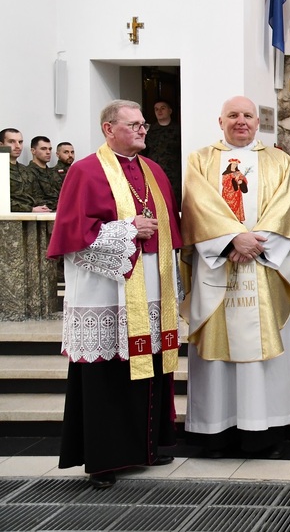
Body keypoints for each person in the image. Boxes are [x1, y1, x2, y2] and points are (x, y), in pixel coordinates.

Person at [46, 99, 182, 489]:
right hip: (107, 293)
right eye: (134, 124)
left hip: (151, 289)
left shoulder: (154, 171)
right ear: (109, 128)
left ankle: (148, 447)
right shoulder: (85, 171)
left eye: (143, 125)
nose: (143, 130)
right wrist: (127, 229)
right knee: (106, 375)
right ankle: (104, 459)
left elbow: (170, 232)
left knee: (150, 367)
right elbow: (74, 236)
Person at [181, 96, 290, 458]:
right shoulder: (200, 160)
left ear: (257, 121)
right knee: (216, 356)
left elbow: (285, 206)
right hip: (217, 266)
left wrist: (253, 242)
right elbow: (197, 205)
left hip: (264, 268)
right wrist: (231, 239)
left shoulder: (277, 160)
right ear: (219, 120)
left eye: (247, 116)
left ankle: (262, 432)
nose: (241, 121)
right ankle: (214, 433)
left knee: (263, 356)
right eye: (233, 115)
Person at [142, 99, 182, 206]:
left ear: (170, 110)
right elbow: (143, 152)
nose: (159, 111)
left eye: (162, 108)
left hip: (174, 174)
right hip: (153, 172)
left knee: (173, 202)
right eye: (156, 109)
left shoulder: (179, 130)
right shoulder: (148, 131)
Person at [2, 127, 49, 213]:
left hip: (32, 219)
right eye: (12, 142)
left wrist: (44, 207)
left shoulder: (26, 170)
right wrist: (30, 209)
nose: (17, 146)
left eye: (20, 142)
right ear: (1, 145)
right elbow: (2, 202)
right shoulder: (2, 170)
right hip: (9, 221)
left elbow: (37, 196)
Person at [29, 135, 61, 210]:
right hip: (42, 214)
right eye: (43, 149)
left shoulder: (53, 172)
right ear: (33, 151)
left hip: (58, 212)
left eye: (50, 149)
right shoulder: (28, 172)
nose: (48, 152)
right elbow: (35, 200)